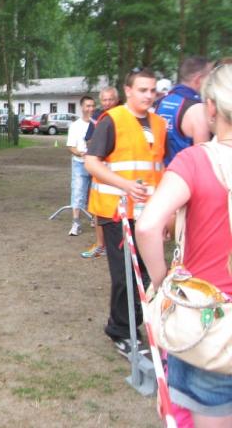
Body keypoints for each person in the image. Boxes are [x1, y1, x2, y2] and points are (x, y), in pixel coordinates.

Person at [137, 63, 232, 427]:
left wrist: (162, 280)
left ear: (211, 107)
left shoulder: (194, 161)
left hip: (210, 325)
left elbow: (148, 226)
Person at [84, 68, 166, 357]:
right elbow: (91, 162)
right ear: (128, 91)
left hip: (149, 212)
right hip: (116, 211)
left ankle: (139, 324)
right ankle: (121, 330)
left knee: (146, 273)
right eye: (142, 90)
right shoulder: (112, 120)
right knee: (125, 276)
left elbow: (160, 168)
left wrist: (166, 213)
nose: (148, 95)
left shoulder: (159, 124)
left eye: (152, 90)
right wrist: (126, 185)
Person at [80, 86, 120, 259]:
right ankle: (100, 245)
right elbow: (89, 139)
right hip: (99, 170)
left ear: (116, 100)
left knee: (118, 211)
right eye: (104, 100)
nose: (107, 103)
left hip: (119, 172)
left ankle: (118, 247)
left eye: (110, 99)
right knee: (97, 210)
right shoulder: (97, 117)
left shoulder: (123, 116)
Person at [156, 56, 213, 166]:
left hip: (163, 172)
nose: (211, 83)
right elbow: (202, 160)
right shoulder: (198, 109)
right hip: (185, 173)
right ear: (198, 79)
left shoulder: (162, 101)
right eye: (209, 78)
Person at [66, 95, 96, 236]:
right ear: (82, 107)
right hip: (80, 164)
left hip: (96, 164)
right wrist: (80, 153)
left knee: (95, 193)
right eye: (88, 106)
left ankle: (95, 219)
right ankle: (76, 223)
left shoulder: (98, 124)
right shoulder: (75, 126)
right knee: (78, 191)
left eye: (93, 106)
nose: (91, 109)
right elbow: (70, 147)